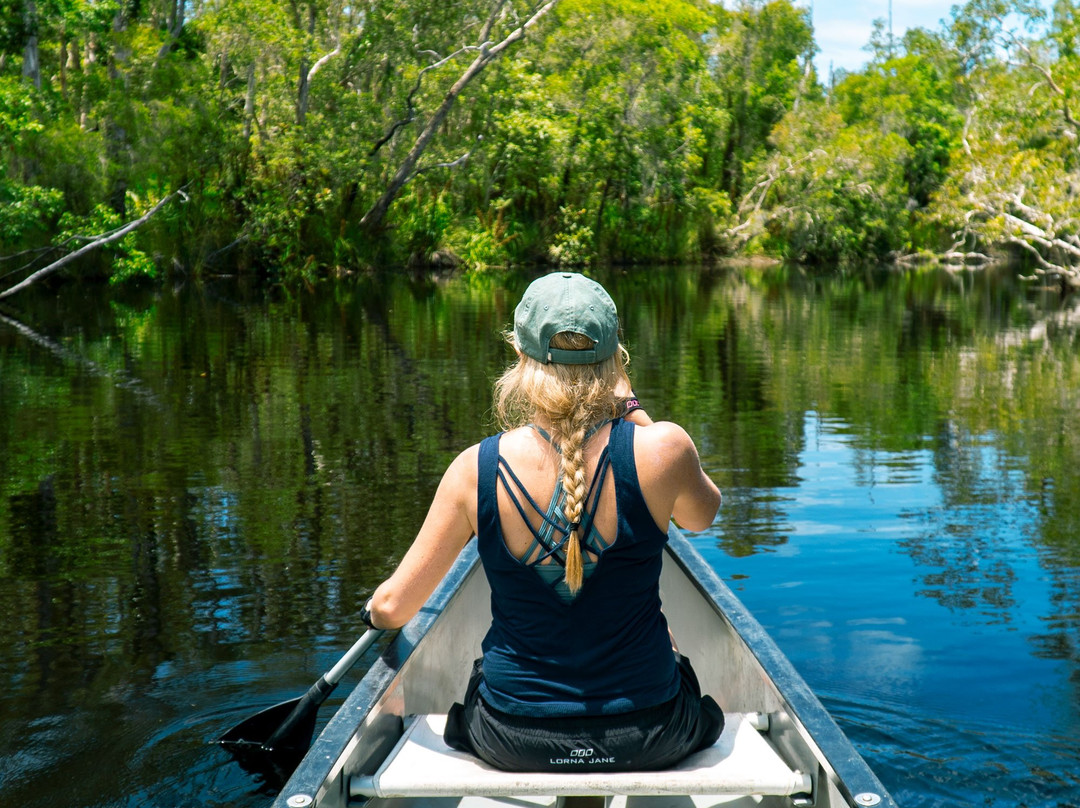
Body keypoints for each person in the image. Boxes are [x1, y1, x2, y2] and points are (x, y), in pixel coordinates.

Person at [362, 271, 724, 772]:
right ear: (617, 359)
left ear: (520, 357)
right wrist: (633, 407)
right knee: (676, 658)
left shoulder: (475, 469)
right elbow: (702, 517)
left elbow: (394, 605)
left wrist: (375, 615)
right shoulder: (664, 449)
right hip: (651, 732)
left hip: (513, 737)